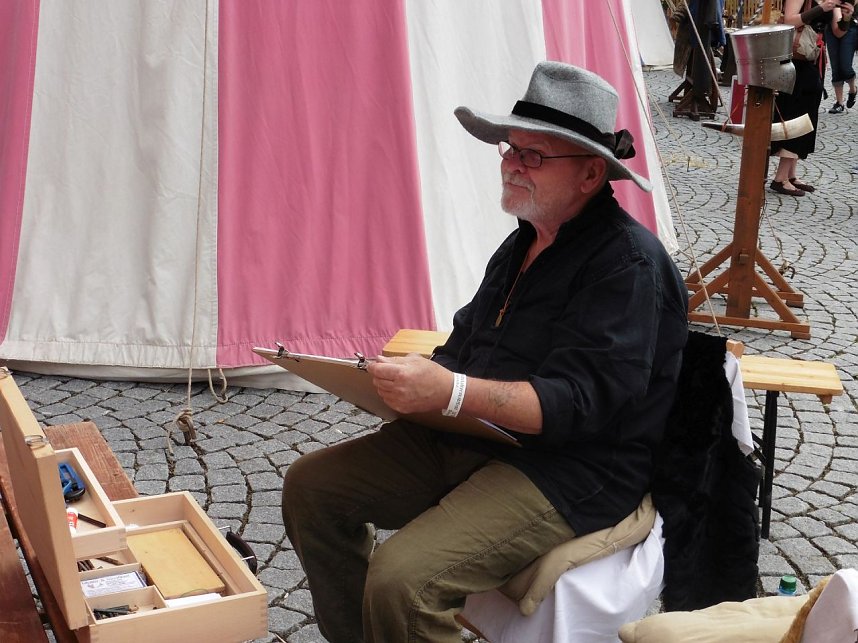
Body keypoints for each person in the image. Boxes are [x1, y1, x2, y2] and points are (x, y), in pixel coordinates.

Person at [281, 61, 690, 643]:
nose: (512, 164)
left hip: (571, 469)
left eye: (534, 155)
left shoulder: (628, 265)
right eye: (511, 149)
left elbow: (578, 404)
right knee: (312, 488)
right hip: (475, 436)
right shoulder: (525, 240)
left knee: (403, 582)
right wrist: (398, 381)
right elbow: (467, 345)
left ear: (591, 173)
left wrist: (449, 390)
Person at [770, 0, 839, 197]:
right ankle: (780, 178)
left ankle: (791, 174)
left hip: (812, 56)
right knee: (796, 115)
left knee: (807, 115)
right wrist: (821, 8)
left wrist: (846, 16)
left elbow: (838, 32)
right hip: (796, 60)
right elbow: (790, 20)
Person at [824, 0, 857, 113]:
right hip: (831, 26)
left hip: (851, 26)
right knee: (836, 67)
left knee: (845, 66)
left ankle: (853, 90)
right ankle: (839, 102)